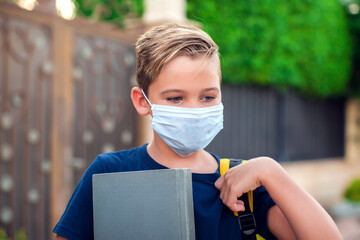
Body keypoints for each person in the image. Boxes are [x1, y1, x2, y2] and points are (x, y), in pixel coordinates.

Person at [53, 23, 342, 240]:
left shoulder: (246, 186)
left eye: (207, 97)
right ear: (143, 101)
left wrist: (271, 170)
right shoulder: (109, 173)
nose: (193, 110)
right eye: (175, 98)